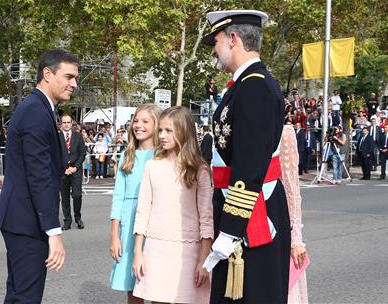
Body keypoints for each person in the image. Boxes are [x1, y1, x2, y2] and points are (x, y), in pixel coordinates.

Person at [202, 10, 291, 303]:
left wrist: (231, 229)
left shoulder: (255, 87)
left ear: (233, 38)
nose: (214, 50)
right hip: (244, 206)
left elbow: (251, 165)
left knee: (253, 294)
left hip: (252, 211)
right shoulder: (244, 85)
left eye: (215, 41)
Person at [0, 49, 79, 303]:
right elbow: (38, 176)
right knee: (26, 297)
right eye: (68, 77)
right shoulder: (35, 110)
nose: (74, 83)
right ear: (47, 74)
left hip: (22, 219)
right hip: (27, 222)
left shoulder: (40, 107)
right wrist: (54, 232)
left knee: (19, 294)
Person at [132, 106, 213, 304]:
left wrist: (203, 260)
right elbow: (143, 211)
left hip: (189, 252)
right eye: (160, 130)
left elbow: (207, 219)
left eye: (169, 130)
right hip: (156, 248)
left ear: (183, 131)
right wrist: (138, 253)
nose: (162, 135)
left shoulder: (199, 170)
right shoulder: (152, 166)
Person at [109, 104, 162, 304]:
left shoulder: (163, 155)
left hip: (156, 222)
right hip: (129, 224)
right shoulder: (127, 155)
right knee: (132, 287)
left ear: (157, 124)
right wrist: (115, 235)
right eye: (136, 121)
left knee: (158, 285)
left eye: (145, 121)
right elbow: (118, 197)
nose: (138, 125)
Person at [279, 118, 308, 304]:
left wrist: (295, 239)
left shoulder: (284, 133)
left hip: (278, 225)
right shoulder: (237, 129)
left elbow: (292, 190)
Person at [59, 114, 87, 230]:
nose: (66, 124)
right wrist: (63, 168)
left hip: (76, 171)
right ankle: (67, 221)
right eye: (64, 122)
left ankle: (78, 217)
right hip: (63, 172)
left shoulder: (78, 136)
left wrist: (75, 167)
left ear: (71, 123)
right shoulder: (57, 137)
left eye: (68, 122)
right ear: (61, 124)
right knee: (65, 197)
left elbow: (82, 153)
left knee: (77, 195)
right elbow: (54, 154)